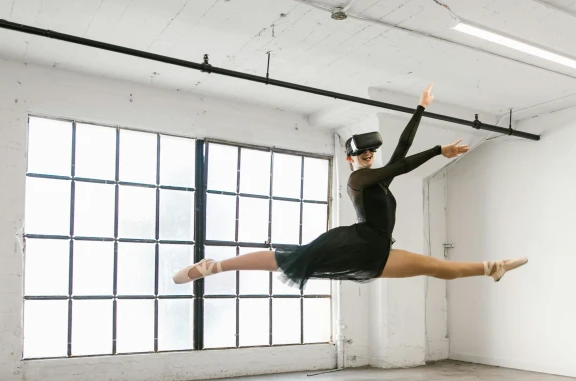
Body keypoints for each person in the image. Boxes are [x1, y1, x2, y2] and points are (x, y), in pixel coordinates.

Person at [173, 85, 527, 287]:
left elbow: (401, 151)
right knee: (286, 259)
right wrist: (438, 149)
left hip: (376, 249)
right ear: (351, 159)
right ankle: (213, 266)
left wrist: (420, 108)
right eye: (363, 152)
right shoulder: (358, 180)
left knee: (432, 267)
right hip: (357, 242)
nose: (370, 155)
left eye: (373, 151)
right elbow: (403, 164)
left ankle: (491, 267)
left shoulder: (378, 178)